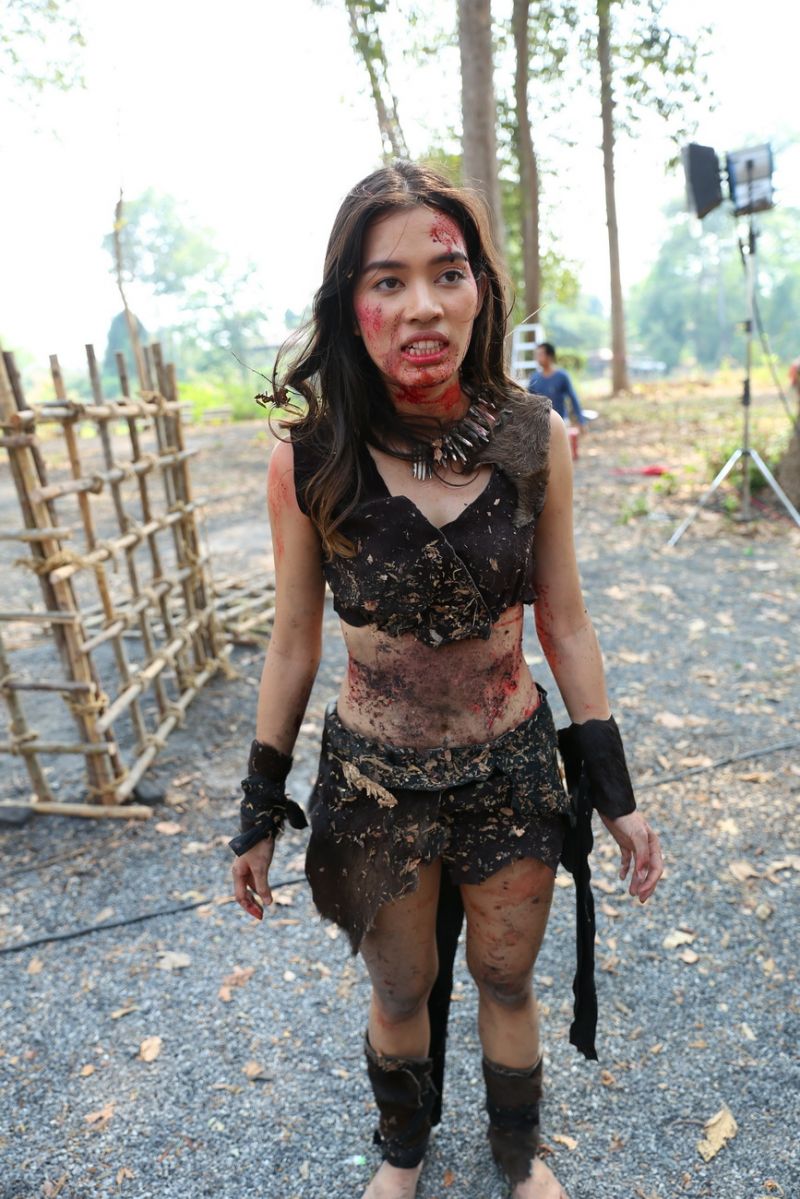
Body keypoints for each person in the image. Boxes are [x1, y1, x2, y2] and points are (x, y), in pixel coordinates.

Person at [228, 161, 663, 1199]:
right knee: (399, 988)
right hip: (372, 785)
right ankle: (403, 1151)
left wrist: (615, 791)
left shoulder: (534, 438)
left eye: (447, 272)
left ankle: (517, 1154)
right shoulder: (309, 459)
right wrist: (257, 807)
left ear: (479, 291)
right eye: (388, 280)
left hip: (511, 772)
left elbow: (563, 618)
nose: (422, 304)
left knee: (505, 978)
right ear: (350, 304)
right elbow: (291, 644)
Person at [527, 342, 587, 431]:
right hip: (540, 425)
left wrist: (581, 421)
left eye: (540, 355)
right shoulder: (534, 378)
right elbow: (528, 402)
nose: (537, 358)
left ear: (549, 356)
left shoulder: (562, 376)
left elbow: (573, 398)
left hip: (561, 422)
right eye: (537, 355)